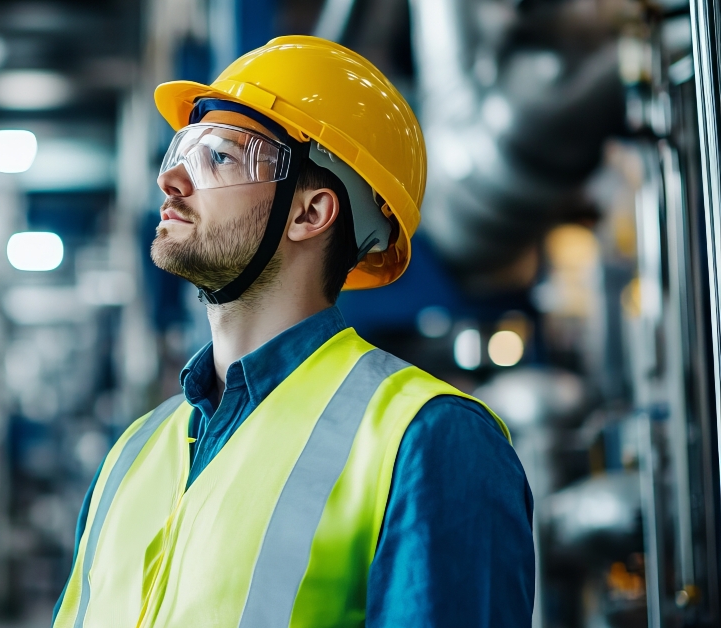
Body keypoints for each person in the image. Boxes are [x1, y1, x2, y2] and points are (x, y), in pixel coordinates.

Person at [52, 36, 534, 628]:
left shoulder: (427, 438)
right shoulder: (132, 455)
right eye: (183, 150)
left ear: (311, 214)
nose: (173, 180)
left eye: (220, 157)